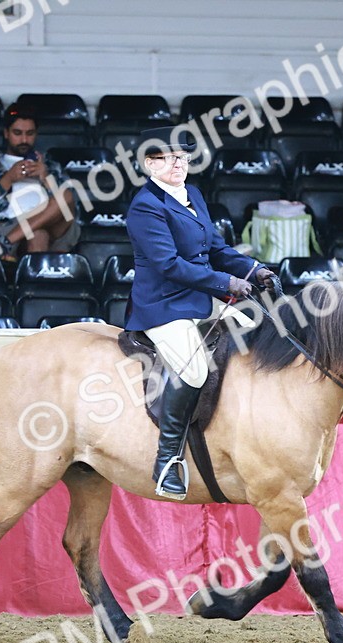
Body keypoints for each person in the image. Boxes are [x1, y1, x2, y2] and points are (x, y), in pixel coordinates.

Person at [125, 126, 275, 500]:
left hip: (199, 296)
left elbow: (217, 249)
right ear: (149, 164)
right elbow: (169, 265)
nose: (178, 163)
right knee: (193, 370)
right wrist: (226, 284)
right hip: (164, 304)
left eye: (183, 157)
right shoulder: (146, 206)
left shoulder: (192, 194)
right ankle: (167, 459)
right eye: (167, 158)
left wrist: (253, 269)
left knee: (258, 330)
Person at [0, 104, 79, 261]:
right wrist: (8, 179)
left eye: (30, 133)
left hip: (55, 230)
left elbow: (72, 208)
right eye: (17, 133)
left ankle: (3, 244)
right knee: (38, 234)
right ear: (6, 133)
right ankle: (34, 280)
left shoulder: (52, 166)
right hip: (9, 225)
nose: (24, 140)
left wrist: (46, 178)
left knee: (65, 195)